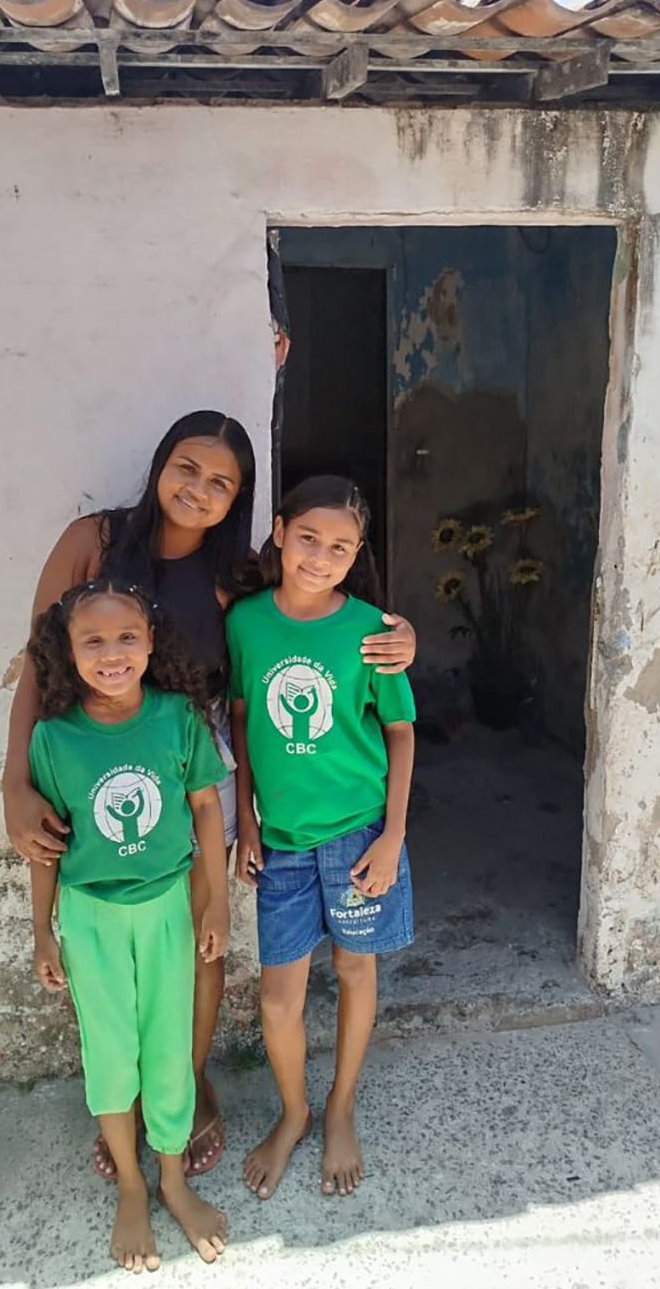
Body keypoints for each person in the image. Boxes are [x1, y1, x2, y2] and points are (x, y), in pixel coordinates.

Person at [3, 409, 417, 1178]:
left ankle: (185, 1085)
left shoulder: (237, 576)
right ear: (161, 462)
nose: (200, 489)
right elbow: (37, 660)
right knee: (107, 930)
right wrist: (14, 781)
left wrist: (404, 638)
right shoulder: (92, 542)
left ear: (243, 500)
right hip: (95, 766)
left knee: (199, 936)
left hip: (196, 769)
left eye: (223, 482)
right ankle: (124, 1100)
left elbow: (316, 603)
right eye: (188, 467)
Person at [26, 575, 230, 1270]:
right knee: (110, 1053)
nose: (111, 653)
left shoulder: (177, 718)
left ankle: (173, 1179)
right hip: (91, 917)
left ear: (151, 643)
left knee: (169, 1049)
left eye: (126, 637)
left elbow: (206, 809)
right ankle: (134, 1187)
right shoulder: (53, 739)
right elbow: (47, 843)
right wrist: (42, 930)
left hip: (169, 907)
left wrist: (219, 901)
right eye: (93, 641)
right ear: (69, 650)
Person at [227, 476, 416, 1202]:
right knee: (279, 998)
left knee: (355, 970)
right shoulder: (246, 623)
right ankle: (295, 1113)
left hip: (359, 831)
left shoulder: (371, 630)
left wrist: (394, 836)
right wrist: (246, 816)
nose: (320, 556)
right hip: (279, 839)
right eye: (308, 538)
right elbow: (243, 720)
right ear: (279, 532)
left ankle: (340, 1107)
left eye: (340, 547)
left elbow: (399, 733)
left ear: (357, 554)